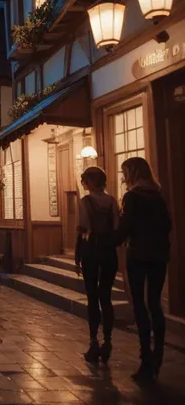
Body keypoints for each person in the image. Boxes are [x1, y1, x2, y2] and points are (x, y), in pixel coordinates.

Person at [117, 157, 171, 382]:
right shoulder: (157, 195)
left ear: (132, 173)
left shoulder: (132, 196)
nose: (123, 177)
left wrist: (107, 241)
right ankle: (158, 354)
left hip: (138, 253)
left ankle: (145, 358)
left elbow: (125, 227)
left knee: (139, 304)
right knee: (155, 303)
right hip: (159, 254)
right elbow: (168, 224)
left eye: (125, 172)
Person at [74, 167, 119, 364]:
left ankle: (93, 341)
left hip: (91, 250)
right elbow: (117, 226)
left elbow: (83, 227)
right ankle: (108, 341)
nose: (83, 184)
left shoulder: (86, 202)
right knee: (106, 297)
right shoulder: (112, 201)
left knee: (92, 297)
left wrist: (78, 255)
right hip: (109, 251)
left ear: (91, 182)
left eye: (85, 180)